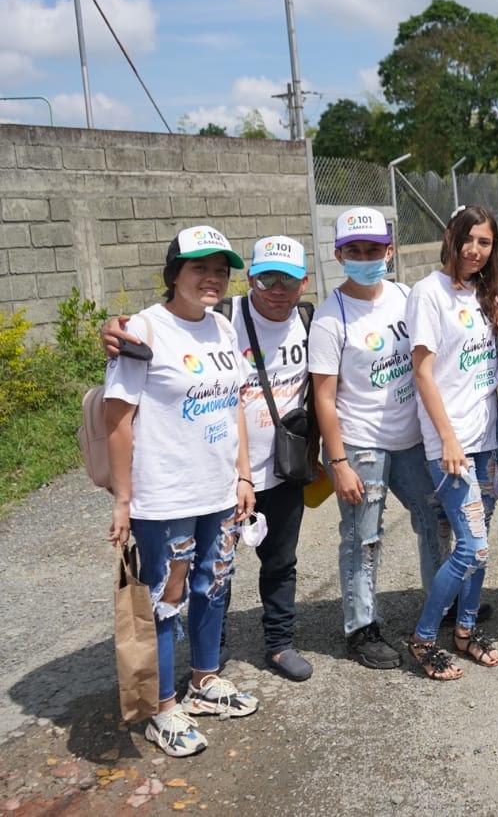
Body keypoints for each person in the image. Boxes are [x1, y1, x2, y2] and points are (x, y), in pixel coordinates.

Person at [100, 236, 318, 682]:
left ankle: (278, 644)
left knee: (278, 564)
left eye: (288, 279)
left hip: (280, 469)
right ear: (251, 279)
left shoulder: (314, 319)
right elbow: (156, 342)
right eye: (265, 277)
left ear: (303, 282)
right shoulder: (223, 317)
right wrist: (110, 328)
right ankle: (209, 658)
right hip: (218, 477)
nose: (277, 288)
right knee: (209, 573)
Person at [104, 226, 259, 757]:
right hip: (164, 498)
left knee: (213, 587)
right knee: (165, 600)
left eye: (220, 270)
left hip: (217, 491)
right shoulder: (143, 329)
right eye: (200, 268)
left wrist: (242, 474)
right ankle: (161, 708)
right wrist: (123, 500)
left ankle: (205, 681)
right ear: (175, 273)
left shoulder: (220, 326)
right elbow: (118, 419)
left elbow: (234, 402)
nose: (212, 278)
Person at [309, 207, 447, 670]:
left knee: (434, 516)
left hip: (409, 438)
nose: (365, 257)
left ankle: (441, 599)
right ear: (339, 254)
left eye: (373, 249)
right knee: (363, 537)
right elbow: (324, 398)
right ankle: (361, 627)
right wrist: (339, 461)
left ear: (390, 251)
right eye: (354, 251)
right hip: (361, 444)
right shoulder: (331, 318)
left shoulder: (406, 296)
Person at [403, 205, 498, 679]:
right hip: (452, 441)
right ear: (450, 237)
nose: (474, 249)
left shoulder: (492, 291)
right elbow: (421, 371)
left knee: (481, 532)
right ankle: (424, 638)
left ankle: (465, 630)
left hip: (488, 435)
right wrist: (447, 438)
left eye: (484, 242)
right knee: (473, 547)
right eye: (468, 239)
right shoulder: (428, 293)